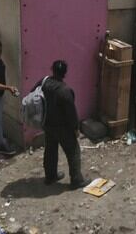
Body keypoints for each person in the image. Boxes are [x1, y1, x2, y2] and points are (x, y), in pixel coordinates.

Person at [42, 59, 88, 188]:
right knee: (73, 151)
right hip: (62, 128)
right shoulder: (65, 91)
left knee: (50, 150)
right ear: (65, 73)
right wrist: (76, 128)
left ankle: (50, 176)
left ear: (53, 70)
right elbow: (71, 113)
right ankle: (76, 180)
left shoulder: (45, 83)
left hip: (47, 123)